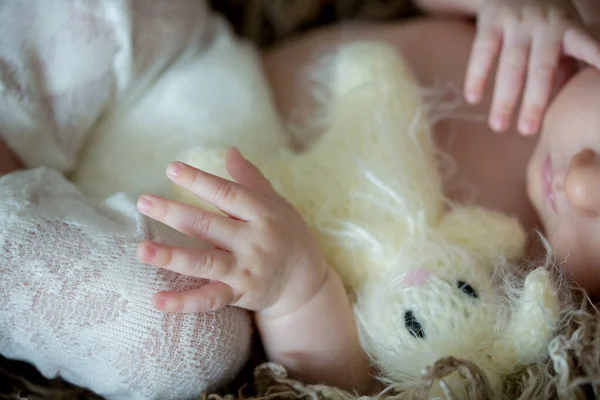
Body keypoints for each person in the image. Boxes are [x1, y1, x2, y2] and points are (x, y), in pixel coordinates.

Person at [1, 0, 600, 399]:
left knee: (175, 336)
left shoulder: (527, 299)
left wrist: (298, 287)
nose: (582, 184)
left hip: (188, 243)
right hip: (187, 71)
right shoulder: (557, 38)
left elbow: (352, 378)